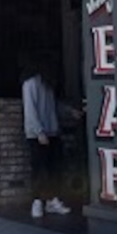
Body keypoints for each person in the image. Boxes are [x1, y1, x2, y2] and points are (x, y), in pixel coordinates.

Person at [22, 57, 71, 218]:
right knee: (39, 169)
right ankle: (36, 202)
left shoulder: (48, 85)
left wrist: (70, 112)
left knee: (53, 169)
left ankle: (51, 200)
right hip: (38, 135)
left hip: (51, 132)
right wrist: (39, 132)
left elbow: (54, 105)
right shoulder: (29, 85)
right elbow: (30, 111)